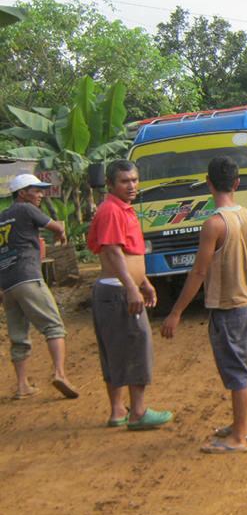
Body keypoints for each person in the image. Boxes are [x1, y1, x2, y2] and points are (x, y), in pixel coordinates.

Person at [162, 157, 247, 454]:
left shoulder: (213, 224)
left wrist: (176, 312)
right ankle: (239, 426)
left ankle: (239, 437)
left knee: (235, 373)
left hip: (228, 306)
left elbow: (199, 272)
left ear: (208, 183)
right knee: (240, 369)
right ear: (236, 183)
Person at [87, 160, 173, 429]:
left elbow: (125, 254)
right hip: (118, 291)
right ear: (111, 185)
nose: (132, 185)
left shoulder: (120, 210)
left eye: (135, 180)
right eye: (125, 181)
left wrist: (143, 281)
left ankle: (116, 411)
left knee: (114, 351)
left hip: (114, 289)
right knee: (137, 346)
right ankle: (137, 412)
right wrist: (132, 287)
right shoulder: (112, 210)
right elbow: (112, 251)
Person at [0, 174, 78, 400]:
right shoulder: (25, 209)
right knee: (54, 327)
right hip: (28, 278)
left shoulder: (2, 217)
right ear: (22, 193)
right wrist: (61, 232)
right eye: (37, 190)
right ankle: (60, 374)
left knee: (18, 335)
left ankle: (22, 386)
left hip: (7, 285)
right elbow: (54, 226)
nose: (41, 195)